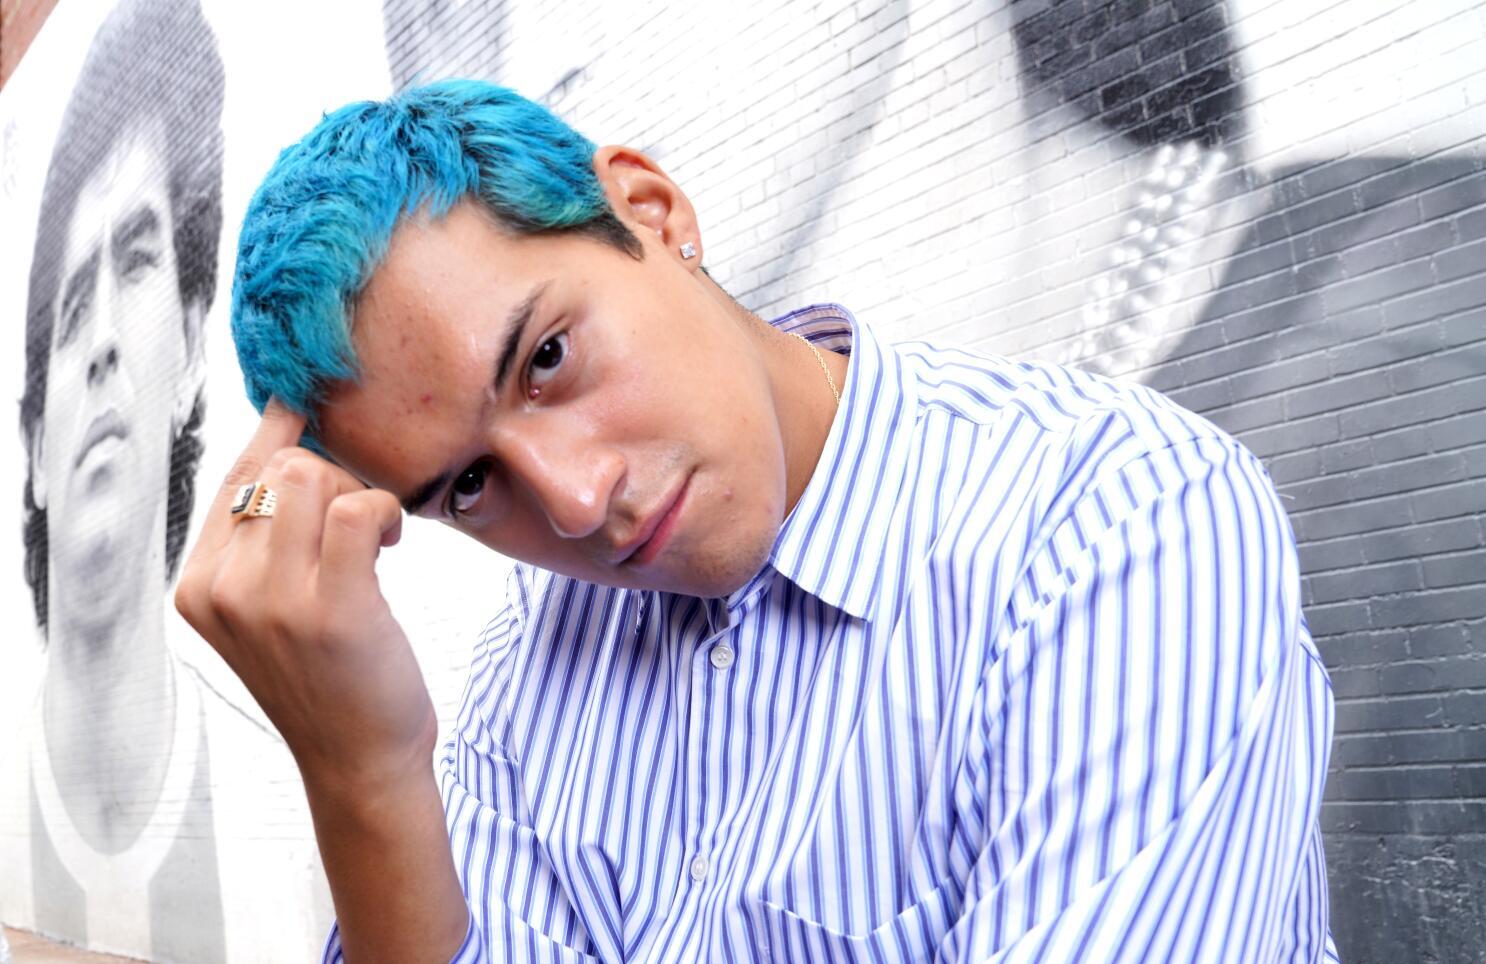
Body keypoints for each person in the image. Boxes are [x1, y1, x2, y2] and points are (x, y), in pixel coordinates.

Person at [179, 79, 1339, 962]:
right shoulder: (533, 669)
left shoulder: (1116, 519)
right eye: (471, 486)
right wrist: (366, 776)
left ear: (650, 212)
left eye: (549, 359)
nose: (576, 500)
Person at [15, 0, 229, 958]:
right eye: (69, 311)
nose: (102, 337)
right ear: (32, 456)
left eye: (137, 263)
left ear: (190, 348)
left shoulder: (288, 797)